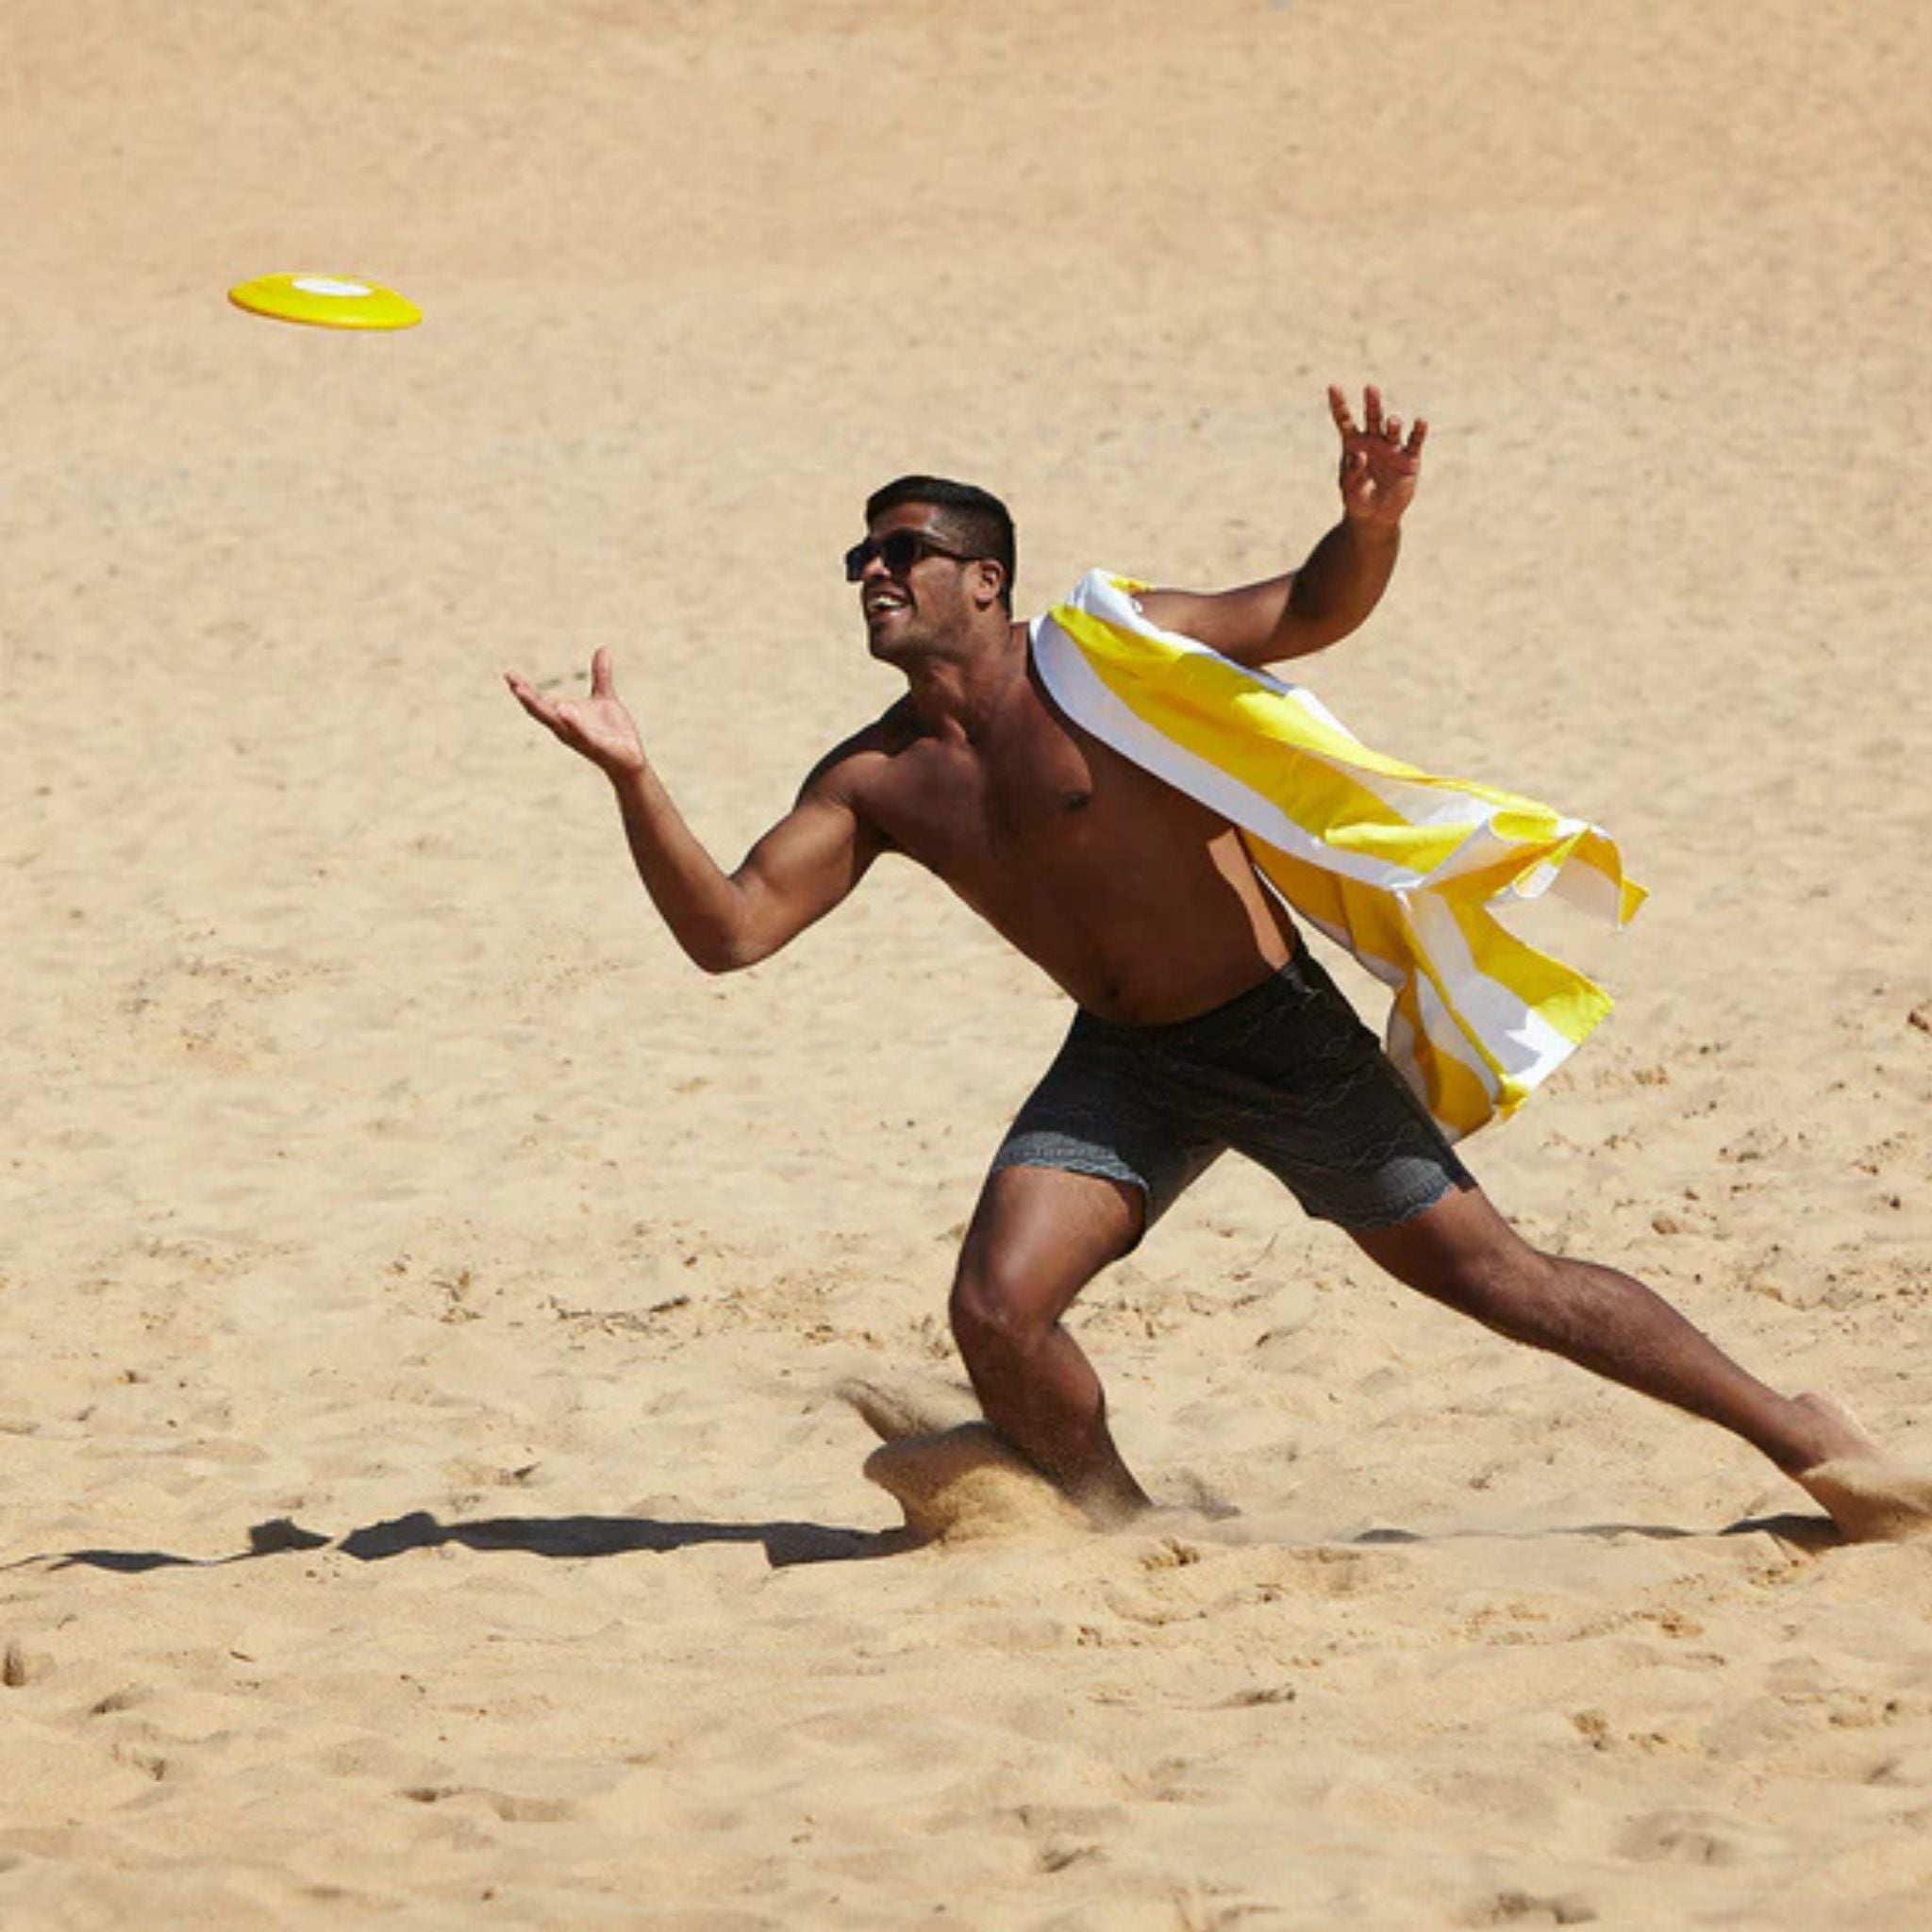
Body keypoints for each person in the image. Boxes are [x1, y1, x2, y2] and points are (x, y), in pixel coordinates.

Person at [507, 386, 1924, 1541]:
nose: (873, 572)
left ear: (985, 580)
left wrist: (1365, 523)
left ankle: (1806, 1435)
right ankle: (1117, 1528)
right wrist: (634, 780)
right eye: (860, 560)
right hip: (1124, 1063)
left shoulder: (1104, 652)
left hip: (1276, 1035)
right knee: (996, 1311)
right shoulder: (877, 779)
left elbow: (1308, 609)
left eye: (904, 551)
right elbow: (731, 932)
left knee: (1503, 1281)